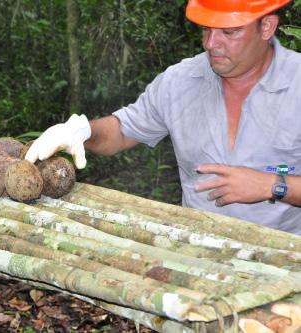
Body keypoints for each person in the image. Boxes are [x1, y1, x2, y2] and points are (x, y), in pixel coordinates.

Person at [26, 0, 301, 236]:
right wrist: (84, 131)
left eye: (229, 32)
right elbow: (122, 130)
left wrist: (275, 185)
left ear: (266, 27)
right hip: (197, 255)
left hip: (284, 260)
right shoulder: (180, 81)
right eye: (206, 29)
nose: (210, 44)